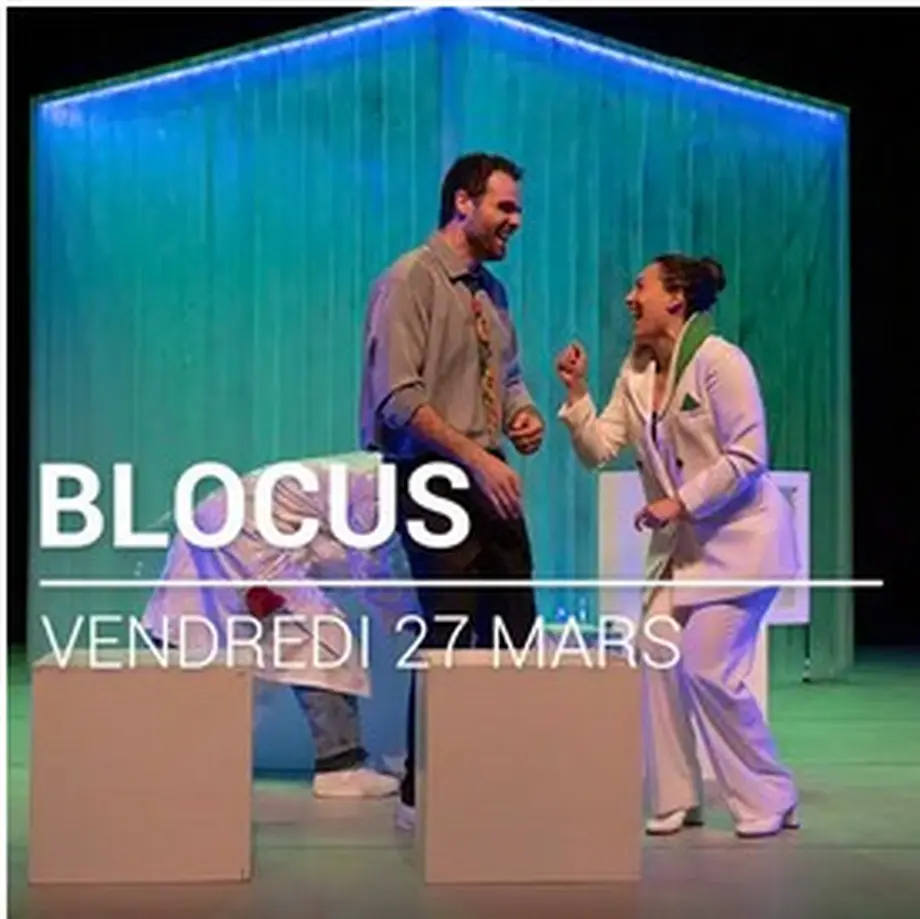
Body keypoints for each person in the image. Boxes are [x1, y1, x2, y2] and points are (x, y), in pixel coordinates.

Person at [556, 254, 800, 839]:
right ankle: (676, 796)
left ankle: (770, 795)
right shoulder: (636, 371)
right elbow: (599, 449)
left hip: (743, 545)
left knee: (709, 669)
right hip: (682, 553)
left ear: (676, 297)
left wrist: (679, 502)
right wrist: (578, 395)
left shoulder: (721, 361)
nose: (629, 298)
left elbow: (748, 456)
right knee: (658, 655)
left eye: (640, 287)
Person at [359, 152, 545, 830]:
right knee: (452, 632)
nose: (515, 220)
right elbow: (399, 398)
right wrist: (472, 456)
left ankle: (500, 777)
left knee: (515, 627)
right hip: (432, 473)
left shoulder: (491, 292)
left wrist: (523, 414)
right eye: (505, 206)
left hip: (485, 467)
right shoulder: (409, 280)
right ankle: (425, 793)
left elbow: (509, 375)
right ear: (464, 203)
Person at [140, 451, 415, 799]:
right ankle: (340, 768)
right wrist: (408, 618)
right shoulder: (381, 485)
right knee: (323, 640)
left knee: (198, 621)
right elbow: (373, 565)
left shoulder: (378, 473)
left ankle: (178, 753)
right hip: (250, 533)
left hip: (232, 522)